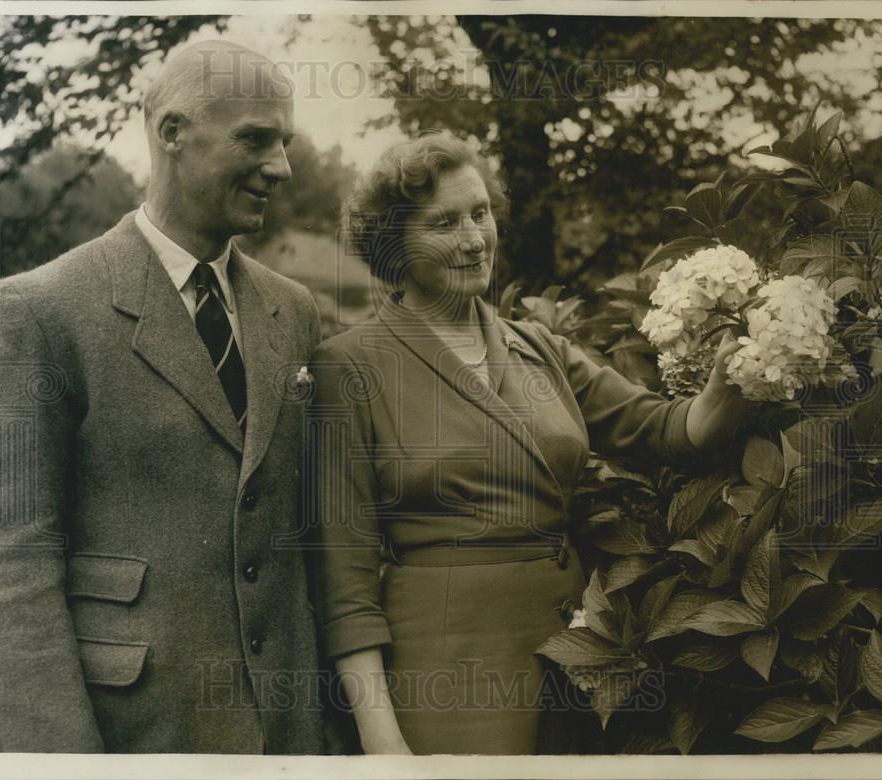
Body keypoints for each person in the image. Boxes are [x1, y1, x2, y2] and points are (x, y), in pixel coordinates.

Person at [306, 130, 750, 755]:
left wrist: (736, 374)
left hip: (568, 660)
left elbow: (667, 429)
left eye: (480, 213)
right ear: (393, 246)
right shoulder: (349, 365)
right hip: (444, 675)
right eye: (443, 223)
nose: (473, 238)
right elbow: (344, 582)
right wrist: (384, 745)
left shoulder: (539, 346)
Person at [0, 40, 324, 753]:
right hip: (139, 736)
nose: (280, 167)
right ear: (171, 133)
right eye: (254, 139)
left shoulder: (296, 311)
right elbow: (13, 564)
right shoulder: (38, 311)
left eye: (283, 143)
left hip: (292, 736)